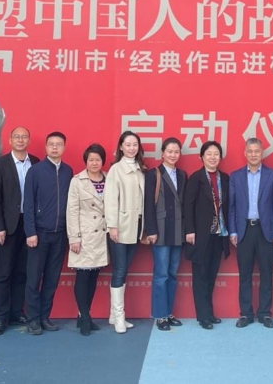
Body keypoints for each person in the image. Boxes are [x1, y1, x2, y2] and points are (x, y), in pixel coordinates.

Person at [0, 126, 40, 335]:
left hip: (29, 224)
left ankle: (16, 311)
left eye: (24, 137)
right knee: (4, 272)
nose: (20, 140)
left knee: (22, 271)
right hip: (8, 226)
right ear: (10, 140)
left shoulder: (36, 162)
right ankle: (1, 316)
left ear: (29, 140)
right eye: (16, 137)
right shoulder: (0, 163)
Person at [22, 132, 73, 335]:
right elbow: (28, 203)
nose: (54, 147)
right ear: (45, 147)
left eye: (59, 144)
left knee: (52, 279)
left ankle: (44, 317)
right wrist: (30, 232)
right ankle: (33, 319)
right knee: (34, 279)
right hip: (39, 233)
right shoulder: (35, 171)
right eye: (51, 144)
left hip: (60, 234)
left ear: (64, 147)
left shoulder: (68, 171)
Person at [229, 137, 273, 329]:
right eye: (250, 151)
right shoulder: (235, 176)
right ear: (245, 153)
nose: (253, 154)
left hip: (265, 230)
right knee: (245, 275)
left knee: (267, 274)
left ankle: (265, 313)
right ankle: (246, 314)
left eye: (257, 151)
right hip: (244, 230)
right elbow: (232, 207)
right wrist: (233, 230)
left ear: (262, 153)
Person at [183, 141, 230, 330]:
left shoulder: (224, 178)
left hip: (218, 234)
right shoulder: (196, 178)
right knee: (200, 276)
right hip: (200, 235)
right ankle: (203, 317)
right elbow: (188, 206)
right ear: (201, 157)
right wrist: (189, 230)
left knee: (211, 275)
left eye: (216, 154)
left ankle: (209, 312)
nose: (212, 157)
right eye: (209, 154)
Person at [105, 131, 148, 333]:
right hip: (120, 226)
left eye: (135, 145)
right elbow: (110, 200)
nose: (132, 148)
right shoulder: (116, 169)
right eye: (128, 144)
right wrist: (112, 225)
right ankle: (119, 315)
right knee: (119, 270)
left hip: (135, 226)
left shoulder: (141, 169)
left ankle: (114, 315)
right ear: (121, 147)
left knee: (124, 269)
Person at [144, 137, 188, 332]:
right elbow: (148, 204)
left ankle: (169, 312)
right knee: (161, 275)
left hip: (178, 231)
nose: (173, 155)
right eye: (169, 151)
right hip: (161, 230)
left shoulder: (182, 174)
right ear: (162, 153)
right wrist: (151, 230)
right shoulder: (154, 173)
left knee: (172, 274)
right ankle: (160, 315)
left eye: (176, 151)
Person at [67, 144, 110, 336]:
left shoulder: (109, 178)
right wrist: (74, 238)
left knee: (93, 276)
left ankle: (85, 314)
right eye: (91, 159)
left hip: (101, 235)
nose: (94, 163)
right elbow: (72, 211)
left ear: (103, 161)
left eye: (97, 159)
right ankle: (84, 316)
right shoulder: (77, 181)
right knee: (83, 276)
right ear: (86, 161)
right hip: (84, 236)